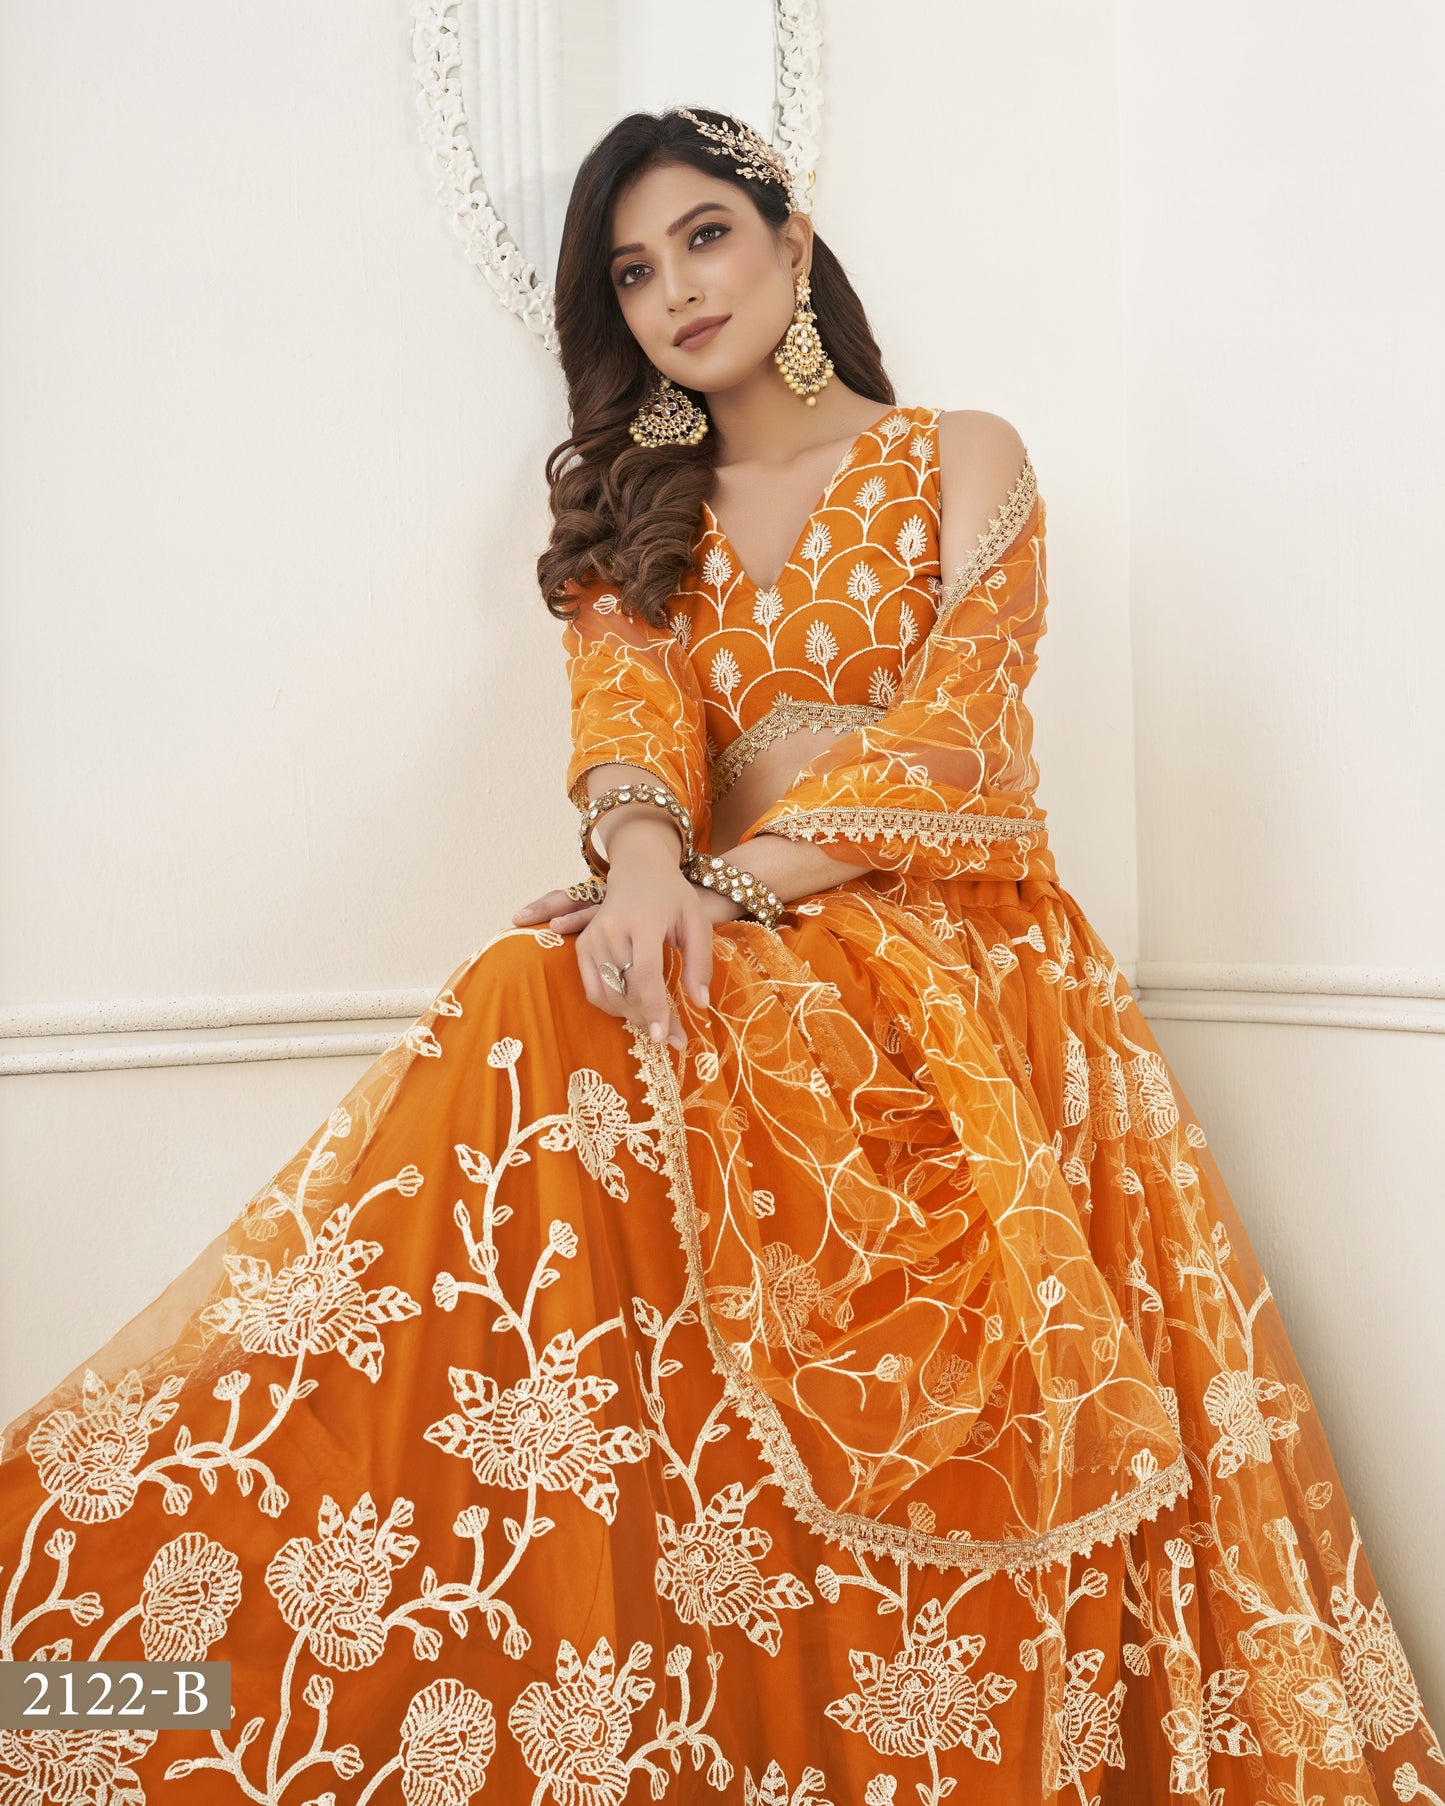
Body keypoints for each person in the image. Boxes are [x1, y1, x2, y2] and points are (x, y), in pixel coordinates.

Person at [0, 104, 1438, 1806]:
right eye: (630, 271)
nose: (672, 288)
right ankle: (109, 1671)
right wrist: (633, 873)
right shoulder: (639, 511)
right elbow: (625, 728)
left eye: (702, 237)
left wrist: (725, 884)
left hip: (958, 968)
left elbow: (957, 741)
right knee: (522, 994)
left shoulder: (958, 454)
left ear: (789, 241)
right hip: (726, 946)